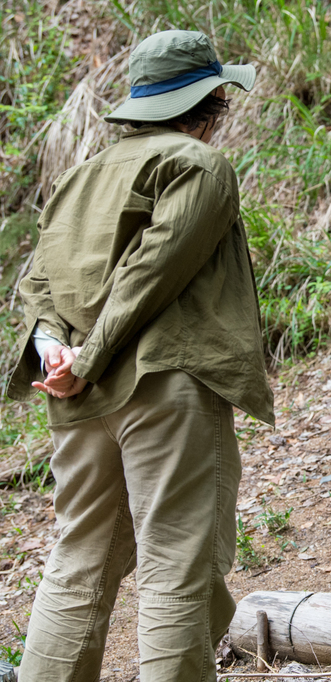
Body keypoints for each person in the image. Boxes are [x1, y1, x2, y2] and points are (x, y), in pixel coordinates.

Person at [6, 31, 274, 681]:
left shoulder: (76, 179)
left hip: (79, 398)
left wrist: (57, 359)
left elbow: (36, 286)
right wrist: (92, 357)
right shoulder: (198, 164)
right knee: (175, 562)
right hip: (165, 383)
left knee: (79, 563)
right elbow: (156, 268)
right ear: (209, 103)